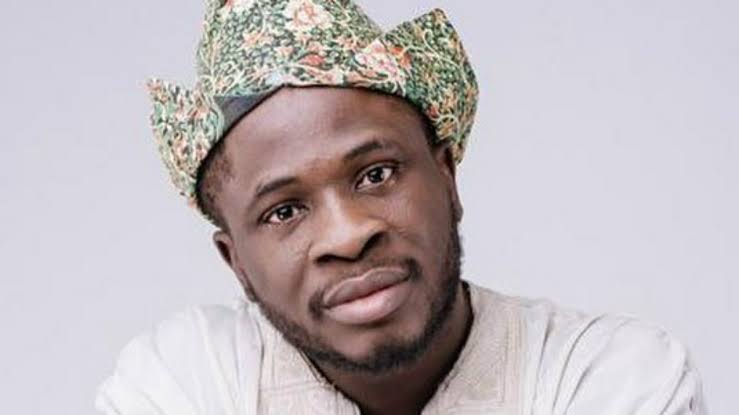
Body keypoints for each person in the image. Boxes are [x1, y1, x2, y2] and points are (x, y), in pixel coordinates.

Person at [96, 1, 707, 414]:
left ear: (447, 178)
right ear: (237, 264)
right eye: (284, 211)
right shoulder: (185, 377)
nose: (348, 235)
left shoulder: (611, 375)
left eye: (376, 174)